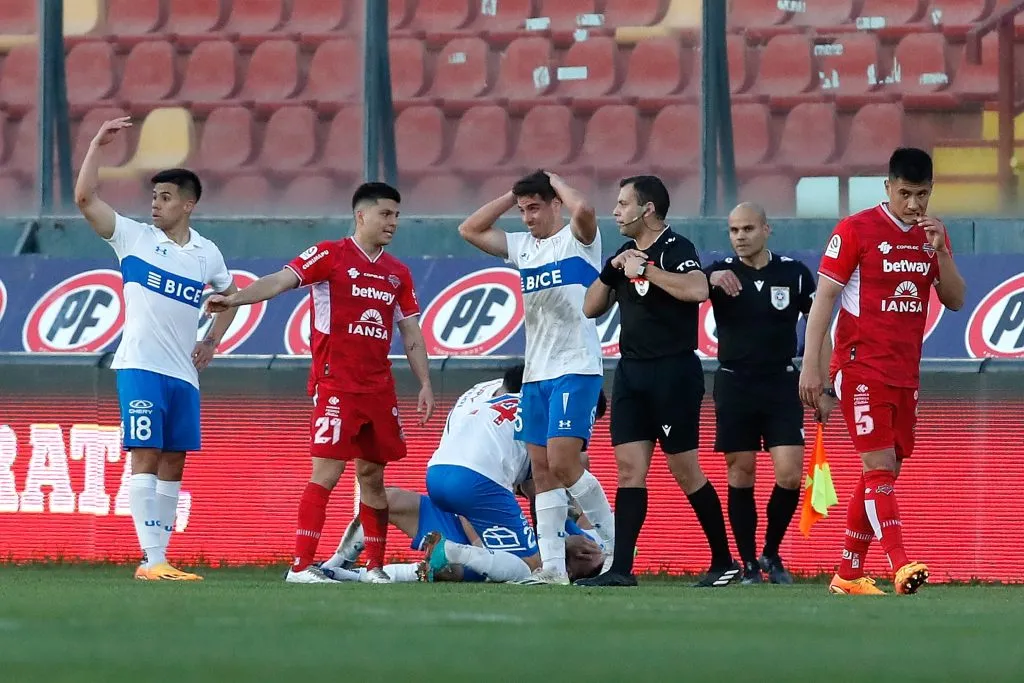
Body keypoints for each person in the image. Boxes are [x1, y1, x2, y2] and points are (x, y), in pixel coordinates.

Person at [206, 182, 435, 584]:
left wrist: (425, 384)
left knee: (373, 478)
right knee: (326, 474)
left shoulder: (398, 273)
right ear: (361, 215)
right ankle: (300, 565)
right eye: (386, 214)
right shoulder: (330, 255)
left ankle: (375, 567)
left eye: (397, 215)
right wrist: (236, 299)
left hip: (378, 389)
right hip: (336, 385)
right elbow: (279, 281)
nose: (393, 223)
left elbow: (411, 332)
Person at [74, 118, 239, 581]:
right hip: (140, 366)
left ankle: (161, 557)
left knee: (174, 459)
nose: (156, 205)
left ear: (188, 204)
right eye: (153, 197)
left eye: (165, 198)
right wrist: (95, 147)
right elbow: (85, 199)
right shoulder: (133, 238)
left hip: (183, 374)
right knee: (144, 452)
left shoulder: (206, 253)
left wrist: (211, 339)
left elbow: (230, 297)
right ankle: (151, 559)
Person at [799, 148, 966, 596]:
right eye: (906, 193)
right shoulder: (856, 230)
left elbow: (955, 299)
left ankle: (848, 574)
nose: (914, 204)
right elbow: (824, 300)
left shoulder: (932, 237)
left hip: (905, 373)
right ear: (888, 188)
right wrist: (811, 366)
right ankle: (900, 563)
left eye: (923, 194)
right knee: (878, 468)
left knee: (883, 473)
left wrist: (941, 254)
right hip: (859, 366)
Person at [578, 175, 739, 588]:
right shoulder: (623, 252)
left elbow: (698, 289)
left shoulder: (676, 246)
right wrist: (612, 270)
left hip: (673, 372)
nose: (615, 211)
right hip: (631, 372)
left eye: (622, 204)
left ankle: (724, 561)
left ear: (646, 209)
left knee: (685, 470)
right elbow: (590, 307)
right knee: (629, 470)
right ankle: (621, 570)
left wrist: (647, 268)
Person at [458, 170, 615, 585]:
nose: (527, 217)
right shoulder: (522, 247)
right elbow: (469, 229)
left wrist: (554, 178)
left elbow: (584, 209)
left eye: (535, 207)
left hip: (575, 366)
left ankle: (617, 547)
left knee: (564, 462)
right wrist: (513, 194)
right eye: (523, 210)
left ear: (554, 205)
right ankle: (553, 569)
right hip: (536, 373)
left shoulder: (578, 241)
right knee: (541, 470)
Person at [321, 365, 607, 584]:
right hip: (477, 484)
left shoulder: (484, 398)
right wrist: (567, 541)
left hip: (438, 473)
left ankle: (337, 566)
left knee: (389, 501)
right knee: (526, 567)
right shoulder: (545, 411)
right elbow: (540, 492)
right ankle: (453, 554)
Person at [705, 202, 816, 585]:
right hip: (735, 382)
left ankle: (772, 551)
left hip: (781, 382)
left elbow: (819, 325)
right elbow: (684, 296)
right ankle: (749, 561)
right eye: (734, 230)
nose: (740, 237)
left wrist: (822, 378)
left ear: (766, 230)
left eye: (748, 229)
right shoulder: (717, 273)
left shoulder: (794, 273)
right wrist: (709, 281)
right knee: (741, 470)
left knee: (789, 474)